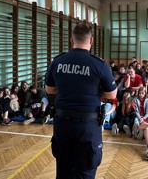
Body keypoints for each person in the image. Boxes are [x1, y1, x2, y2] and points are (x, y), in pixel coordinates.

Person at [45, 23, 117, 179]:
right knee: (85, 171)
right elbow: (112, 95)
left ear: (71, 40)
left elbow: (49, 90)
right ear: (91, 40)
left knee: (64, 170)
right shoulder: (99, 64)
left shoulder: (58, 62)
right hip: (87, 128)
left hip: (62, 124)